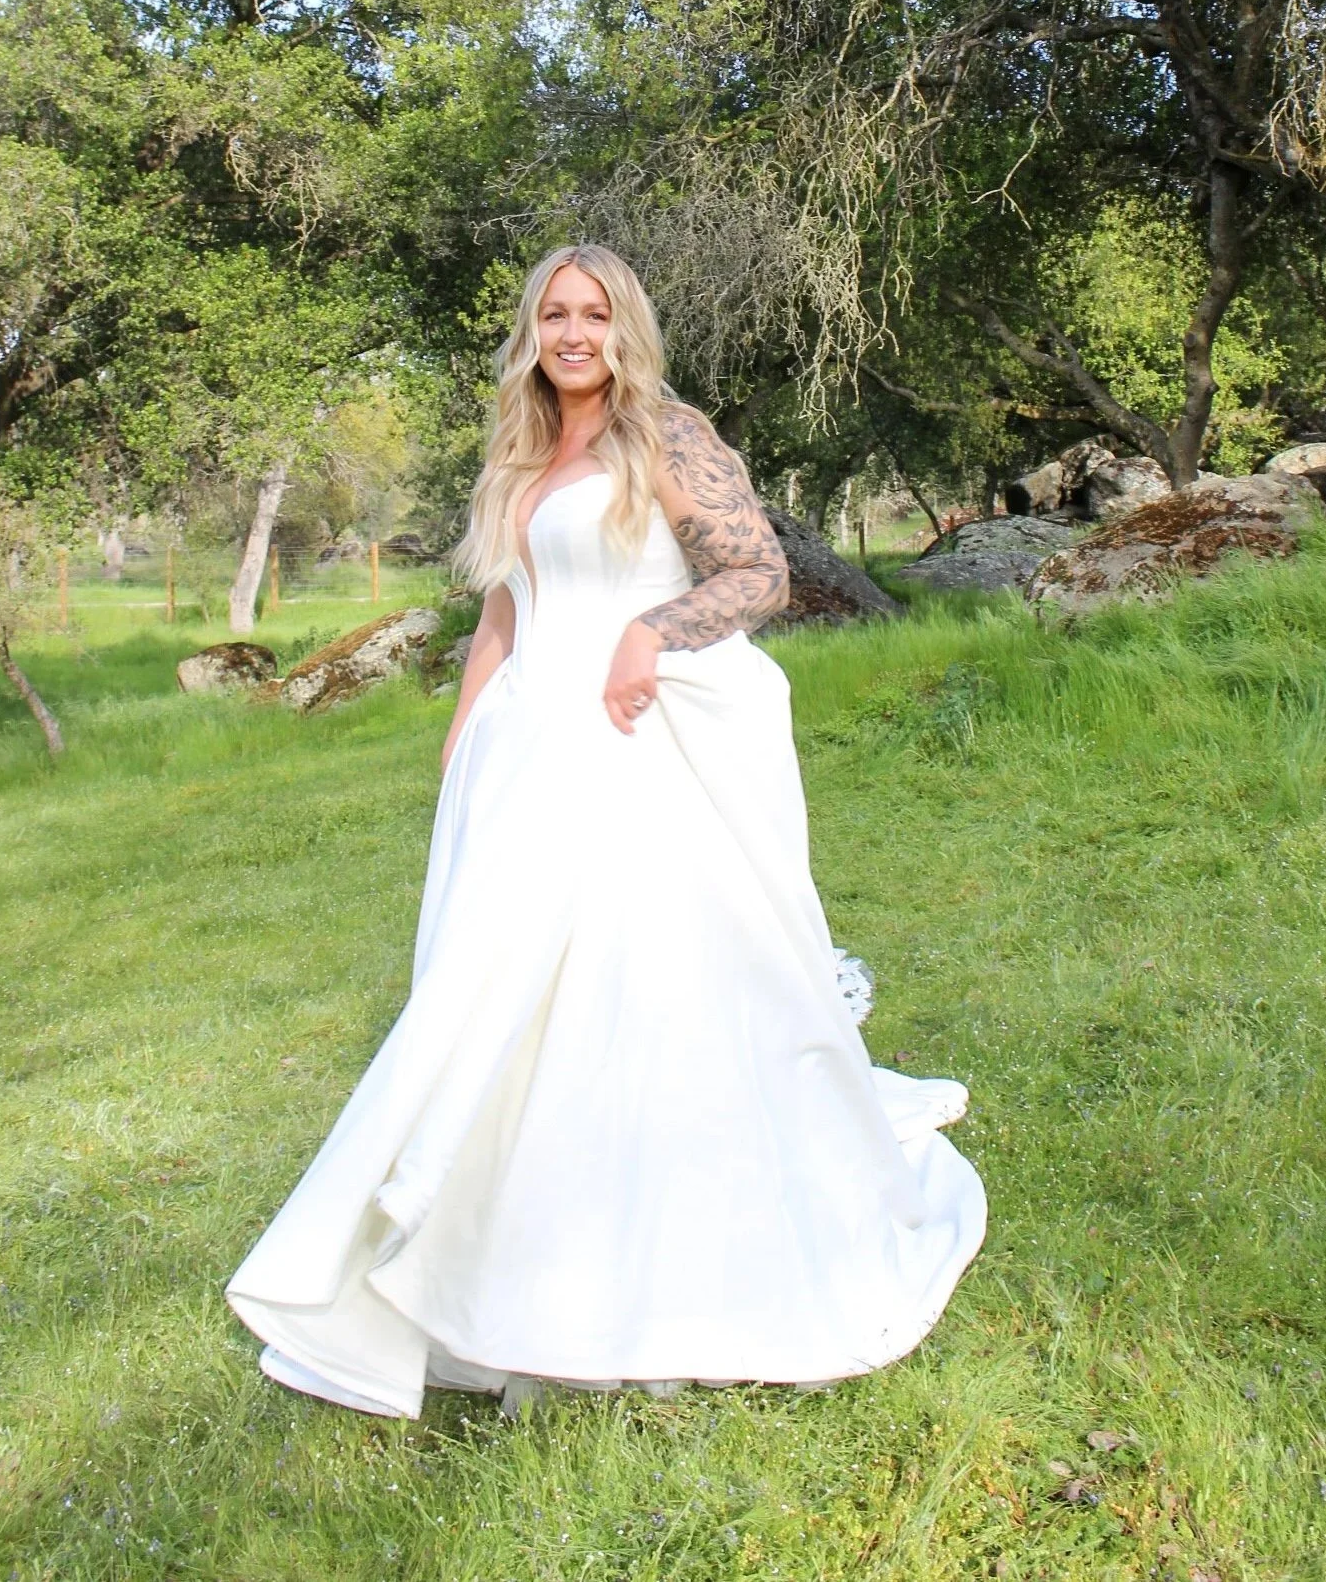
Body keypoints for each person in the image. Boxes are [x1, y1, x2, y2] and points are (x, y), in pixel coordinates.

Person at [227, 244, 985, 1415]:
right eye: (552, 313)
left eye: (592, 313)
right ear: (530, 329)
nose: (572, 333)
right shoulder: (522, 447)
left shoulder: (668, 434)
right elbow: (504, 600)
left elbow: (758, 574)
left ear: (624, 324)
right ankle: (497, 1259)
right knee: (503, 996)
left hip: (632, 734)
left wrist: (651, 634)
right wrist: (464, 730)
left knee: (633, 983)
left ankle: (651, 1271)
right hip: (524, 743)